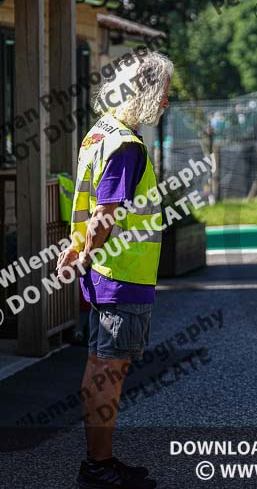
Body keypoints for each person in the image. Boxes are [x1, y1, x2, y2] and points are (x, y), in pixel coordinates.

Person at [56, 52, 173, 489]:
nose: (165, 103)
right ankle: (98, 466)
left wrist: (78, 252)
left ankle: (97, 460)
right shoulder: (127, 144)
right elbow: (106, 213)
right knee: (111, 369)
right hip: (121, 274)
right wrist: (87, 253)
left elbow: (91, 205)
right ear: (142, 94)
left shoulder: (98, 132)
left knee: (97, 363)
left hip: (105, 274)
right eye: (162, 94)